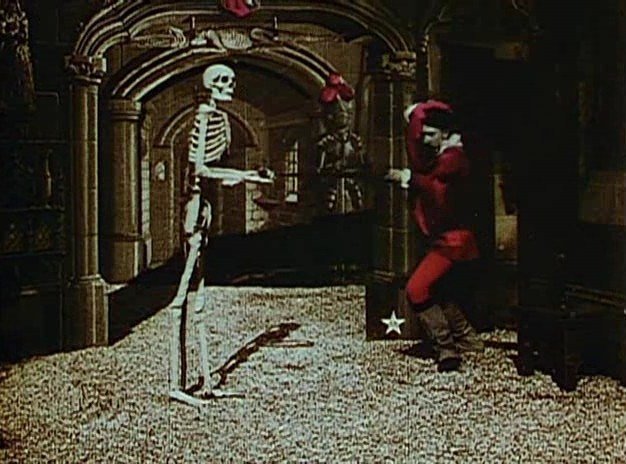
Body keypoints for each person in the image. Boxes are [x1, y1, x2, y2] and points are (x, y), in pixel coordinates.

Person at [386, 100, 484, 372]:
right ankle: (467, 338)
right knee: (438, 290)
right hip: (450, 238)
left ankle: (446, 349)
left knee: (416, 289)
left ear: (444, 133)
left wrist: (406, 176)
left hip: (453, 240)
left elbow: (429, 180)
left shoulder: (453, 158)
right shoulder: (447, 155)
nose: (425, 139)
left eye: (430, 134)